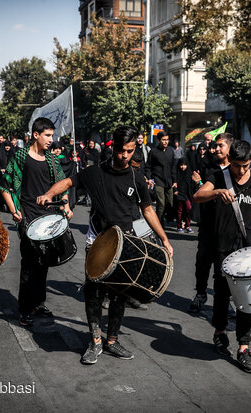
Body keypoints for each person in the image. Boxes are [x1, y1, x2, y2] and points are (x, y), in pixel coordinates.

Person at [36, 125, 173, 365]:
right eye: (121, 150)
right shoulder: (94, 172)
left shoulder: (136, 178)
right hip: (98, 241)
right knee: (94, 293)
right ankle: (95, 341)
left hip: (127, 243)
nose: (125, 156)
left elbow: (148, 210)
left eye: (130, 151)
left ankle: (112, 340)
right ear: (113, 147)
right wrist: (49, 193)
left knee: (121, 294)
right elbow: (68, 182)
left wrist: (164, 239)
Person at [193, 140, 251, 373]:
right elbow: (198, 195)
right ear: (230, 161)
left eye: (245, 165)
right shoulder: (220, 175)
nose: (241, 170)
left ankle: (244, 347)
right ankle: (220, 332)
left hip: (247, 247)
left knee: (247, 298)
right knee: (222, 294)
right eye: (236, 165)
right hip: (222, 246)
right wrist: (217, 192)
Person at [0, 117, 70, 327]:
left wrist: (65, 205)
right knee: (29, 264)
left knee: (44, 263)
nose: (51, 139)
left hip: (48, 218)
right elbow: (5, 186)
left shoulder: (52, 160)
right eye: (47, 135)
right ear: (35, 135)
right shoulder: (20, 157)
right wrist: (14, 211)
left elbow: (63, 185)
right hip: (28, 216)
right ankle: (25, 309)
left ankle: (38, 303)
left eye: (52, 135)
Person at [188, 133, 233, 312]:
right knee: (203, 260)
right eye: (215, 146)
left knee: (225, 265)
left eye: (220, 146)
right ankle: (200, 293)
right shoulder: (208, 167)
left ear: (230, 147)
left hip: (228, 224)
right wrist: (198, 183)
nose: (216, 149)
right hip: (208, 221)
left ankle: (224, 300)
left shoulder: (237, 169)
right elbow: (200, 193)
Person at [146, 131, 176, 224]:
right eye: (163, 140)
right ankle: (158, 223)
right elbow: (148, 166)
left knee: (170, 202)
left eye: (167, 140)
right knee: (161, 204)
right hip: (158, 181)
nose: (166, 142)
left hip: (169, 181)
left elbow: (173, 167)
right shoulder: (154, 152)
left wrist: (175, 180)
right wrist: (149, 178)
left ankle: (167, 217)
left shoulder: (171, 150)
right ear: (158, 140)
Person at [174, 158, 193, 233]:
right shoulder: (176, 173)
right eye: (181, 165)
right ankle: (179, 226)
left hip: (187, 194)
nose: (183, 167)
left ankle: (187, 226)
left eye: (184, 165)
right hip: (179, 194)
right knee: (180, 211)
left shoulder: (189, 173)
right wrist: (175, 191)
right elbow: (174, 182)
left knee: (188, 209)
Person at [0, 140, 15, 212]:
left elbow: (14, 163)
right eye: (6, 146)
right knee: (1, 189)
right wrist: (0, 169)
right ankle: (2, 204)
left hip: (10, 176)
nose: (7, 148)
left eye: (9, 146)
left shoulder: (13, 154)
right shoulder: (0, 154)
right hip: (2, 176)